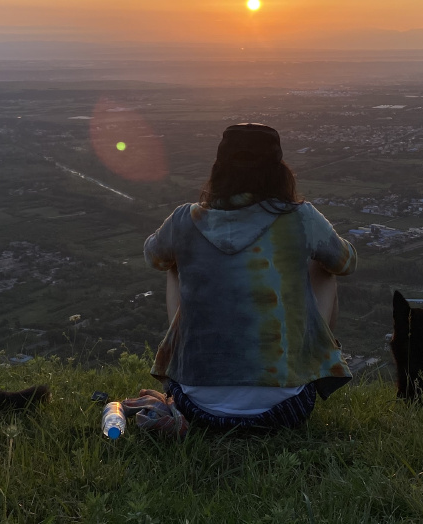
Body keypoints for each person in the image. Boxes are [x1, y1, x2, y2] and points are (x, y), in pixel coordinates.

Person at [140, 123, 357, 430]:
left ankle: (189, 366)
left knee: (174, 264)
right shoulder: (300, 217)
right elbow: (346, 263)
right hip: (286, 409)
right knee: (324, 268)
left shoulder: (184, 219)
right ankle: (309, 361)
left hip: (196, 408)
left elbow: (153, 256)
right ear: (279, 172)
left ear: (219, 170)